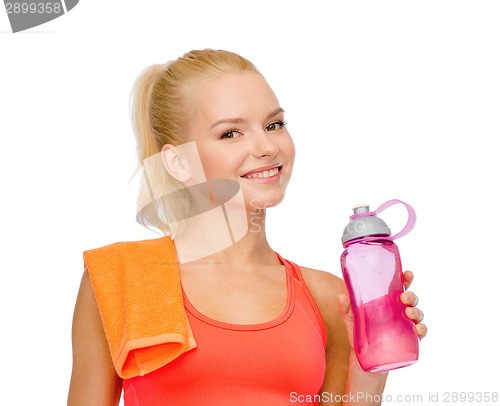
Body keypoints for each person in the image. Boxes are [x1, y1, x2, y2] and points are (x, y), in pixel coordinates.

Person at [68, 49, 427, 405]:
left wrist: (370, 368)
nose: (267, 146)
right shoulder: (122, 279)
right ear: (178, 161)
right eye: (230, 134)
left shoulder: (327, 298)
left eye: (274, 125)